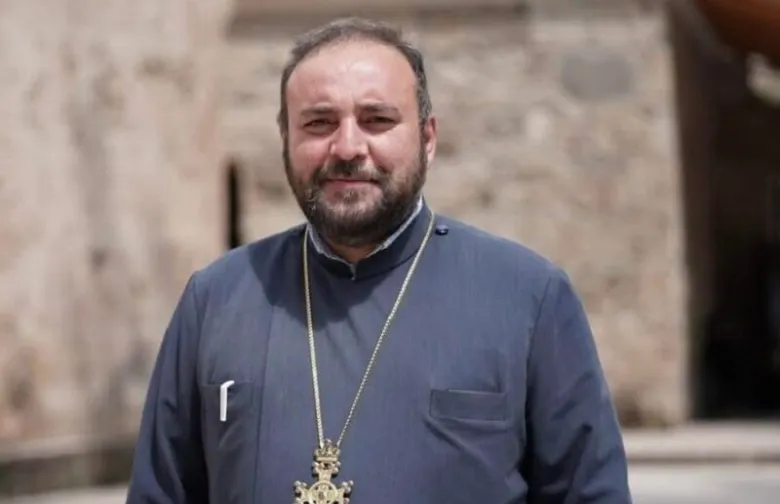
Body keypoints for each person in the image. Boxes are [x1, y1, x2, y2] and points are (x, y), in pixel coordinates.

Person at [126, 17, 633, 504]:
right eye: (319, 123)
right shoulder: (215, 302)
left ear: (427, 140)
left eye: (377, 120)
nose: (348, 147)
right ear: (286, 141)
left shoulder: (529, 299)